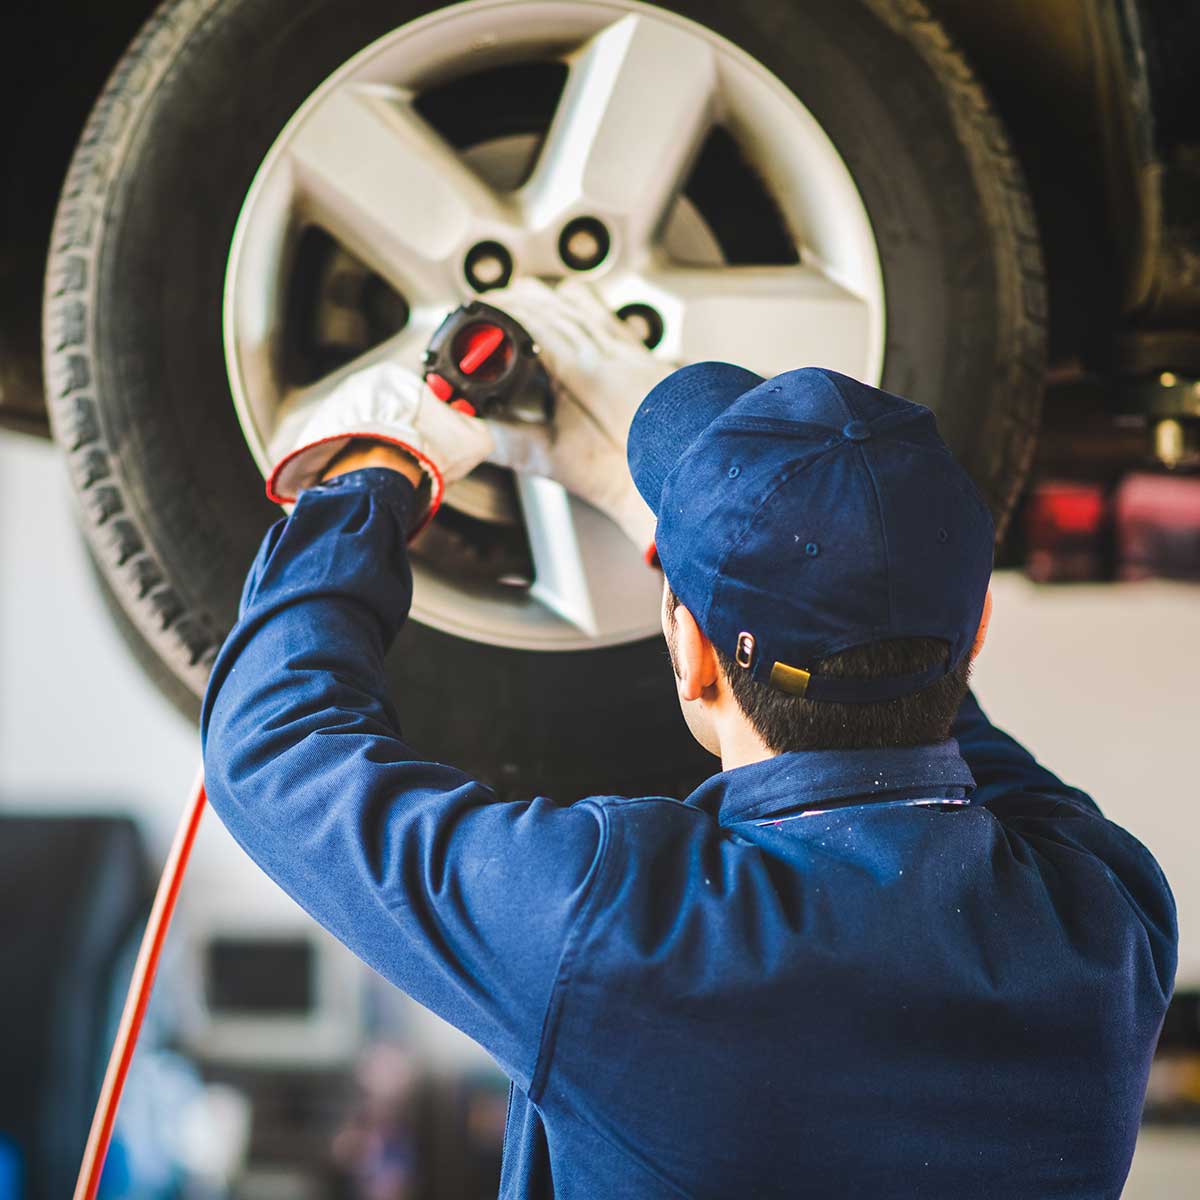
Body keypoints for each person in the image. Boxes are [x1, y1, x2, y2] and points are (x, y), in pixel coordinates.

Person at [202, 280, 1176, 1199]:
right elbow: (924, 710)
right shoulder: (1107, 920)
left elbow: (276, 751)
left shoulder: (620, 933)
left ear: (691, 653)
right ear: (977, 632)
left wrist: (377, 472)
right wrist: (685, 555)